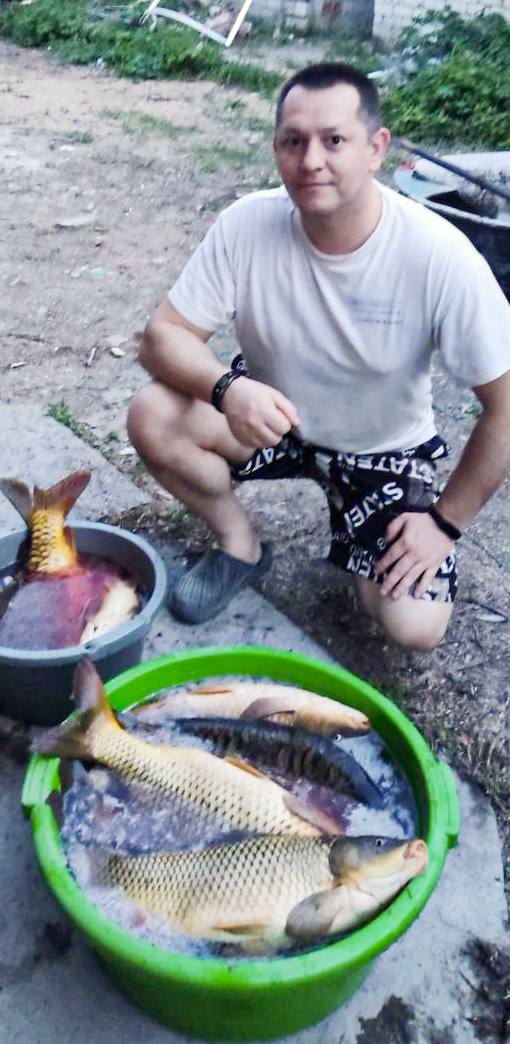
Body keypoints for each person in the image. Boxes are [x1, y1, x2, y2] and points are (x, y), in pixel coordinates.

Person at [127, 62, 510, 649]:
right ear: (276, 149)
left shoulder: (438, 255)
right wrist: (228, 389)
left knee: (414, 626)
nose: (311, 160)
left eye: (334, 140)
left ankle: (363, 540)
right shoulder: (246, 224)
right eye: (293, 141)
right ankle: (240, 546)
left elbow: (504, 407)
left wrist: (443, 524)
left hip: (381, 450)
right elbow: (162, 336)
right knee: (152, 414)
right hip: (273, 419)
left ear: (376, 148)